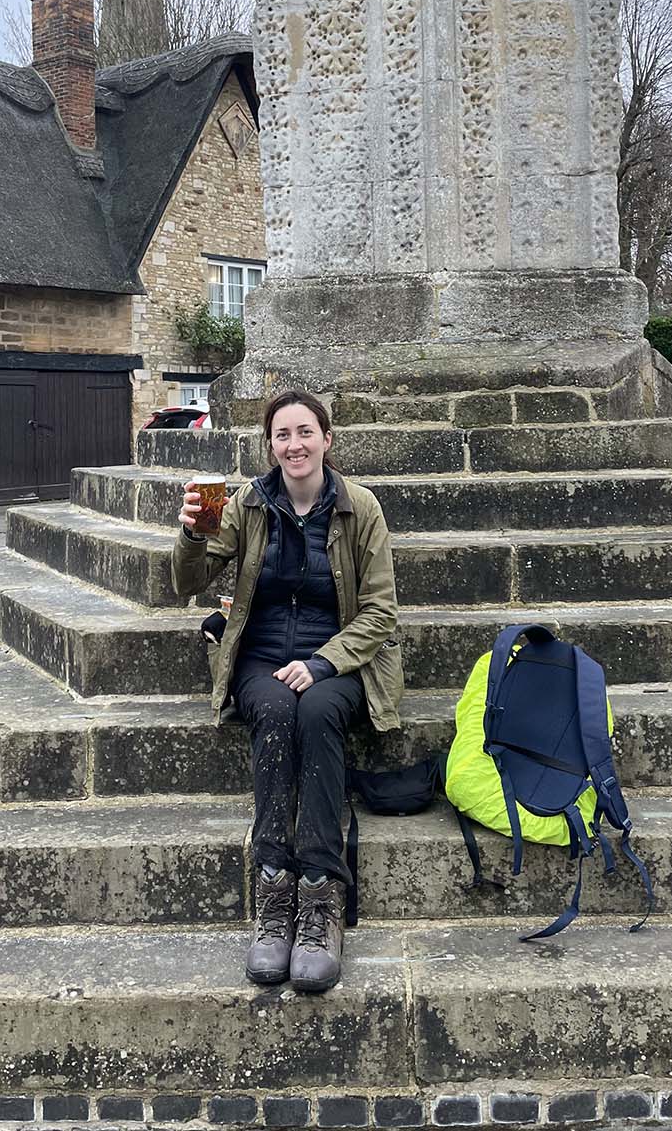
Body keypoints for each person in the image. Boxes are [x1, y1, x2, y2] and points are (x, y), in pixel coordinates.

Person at [171, 389, 403, 993]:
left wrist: (325, 663)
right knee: (274, 711)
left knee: (318, 712)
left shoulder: (361, 508)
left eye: (305, 432)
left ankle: (321, 896)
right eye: (282, 435)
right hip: (261, 657)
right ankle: (273, 891)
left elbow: (379, 612)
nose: (294, 445)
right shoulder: (248, 504)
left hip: (340, 658)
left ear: (327, 439)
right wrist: (192, 535)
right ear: (269, 445)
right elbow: (186, 583)